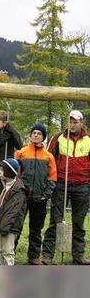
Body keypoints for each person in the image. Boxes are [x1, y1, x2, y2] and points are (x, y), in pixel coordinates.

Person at [42, 110, 90, 265]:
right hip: (61, 184)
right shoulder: (58, 138)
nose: (72, 124)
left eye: (75, 122)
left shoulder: (89, 140)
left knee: (78, 222)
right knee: (55, 220)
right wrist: (50, 181)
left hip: (82, 185)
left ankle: (78, 255)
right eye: (70, 121)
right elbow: (48, 160)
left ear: (81, 123)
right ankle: (47, 255)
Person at [13, 124, 57, 265]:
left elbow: (52, 177)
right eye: (34, 133)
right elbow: (14, 174)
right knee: (16, 226)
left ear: (43, 137)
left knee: (36, 229)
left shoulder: (49, 156)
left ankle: (33, 256)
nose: (36, 135)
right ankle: (10, 253)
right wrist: (17, 191)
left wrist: (46, 194)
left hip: (40, 197)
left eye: (39, 133)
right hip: (22, 196)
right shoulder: (21, 152)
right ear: (31, 135)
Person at [0, 158, 27, 266]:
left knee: (7, 252)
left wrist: (3, 226)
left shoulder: (19, 189)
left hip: (10, 226)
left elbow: (13, 211)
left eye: (2, 170)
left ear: (9, 172)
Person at [0, 110, 22, 192]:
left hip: (8, 167)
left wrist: (10, 129)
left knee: (7, 190)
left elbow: (19, 145)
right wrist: (3, 138)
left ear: (4, 123)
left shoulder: (10, 134)